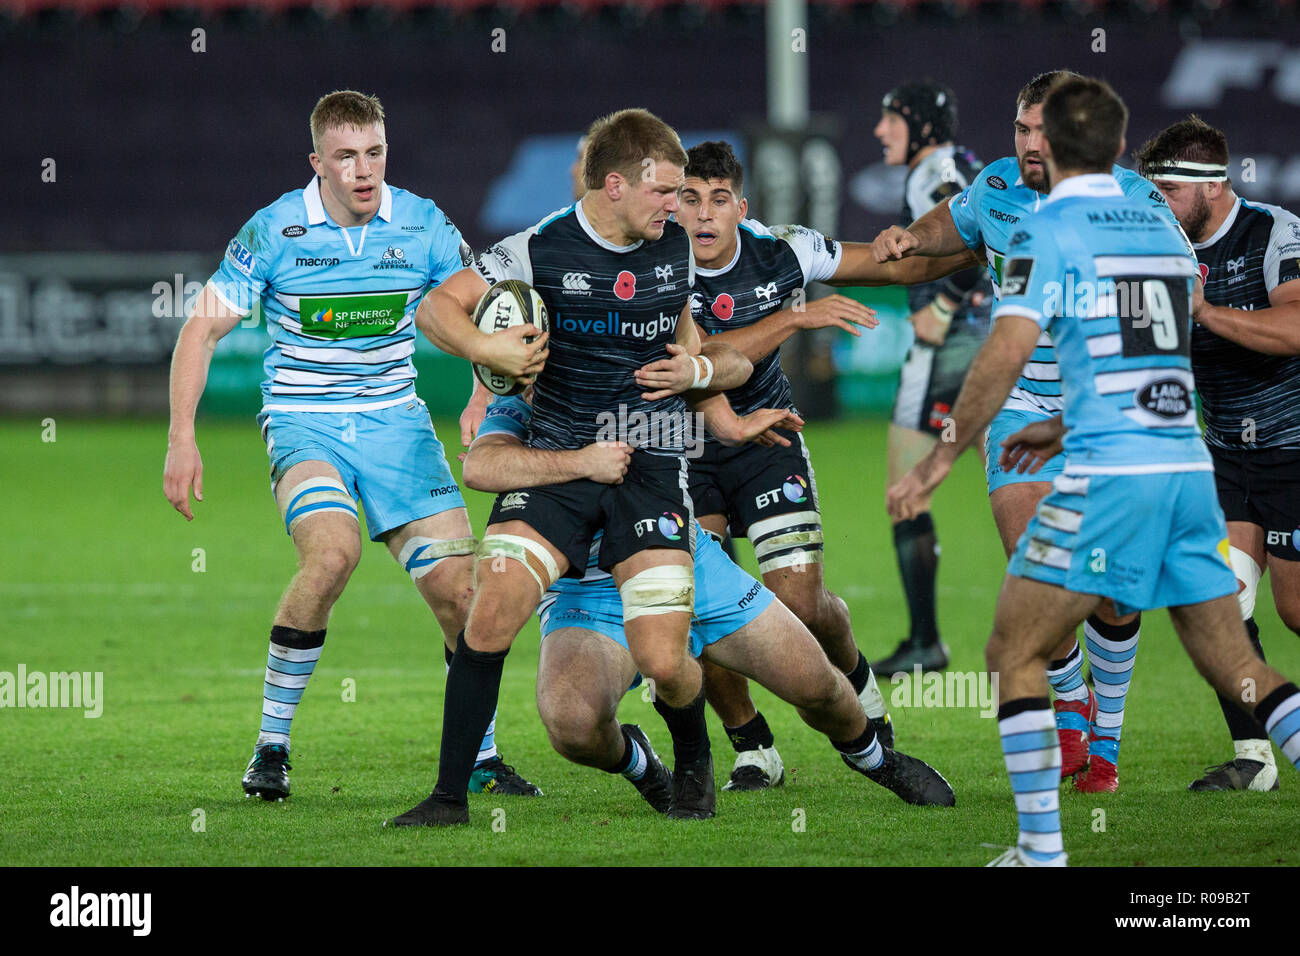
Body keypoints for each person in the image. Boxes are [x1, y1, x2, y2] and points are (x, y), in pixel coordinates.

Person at [888, 75, 1300, 866]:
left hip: (1111, 470)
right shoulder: (1157, 225)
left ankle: (1040, 851)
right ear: (1117, 148)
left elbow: (1003, 353)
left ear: (1053, 145)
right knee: (1240, 665)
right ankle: (1090, 760)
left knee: (1013, 653)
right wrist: (1065, 421)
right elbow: (1166, 346)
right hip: (1184, 464)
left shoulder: (1046, 229)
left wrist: (940, 455)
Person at [162, 90, 539, 802]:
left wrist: (483, 388)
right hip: (306, 421)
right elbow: (200, 330)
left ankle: (482, 758)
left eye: (374, 153)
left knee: (464, 595)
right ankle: (271, 747)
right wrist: (182, 437)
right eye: (345, 156)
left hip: (398, 424)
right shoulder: (276, 230)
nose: (363, 170)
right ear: (318, 163)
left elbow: (480, 303)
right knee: (331, 555)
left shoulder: (423, 223)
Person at [390, 109, 756, 826]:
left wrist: (699, 367)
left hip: (646, 461)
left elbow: (696, 339)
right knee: (490, 609)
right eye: (664, 191)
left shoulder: (674, 246)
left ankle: (692, 762)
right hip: (556, 457)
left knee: (660, 655)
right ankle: (447, 798)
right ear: (614, 185)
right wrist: (486, 353)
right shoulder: (537, 248)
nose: (676, 205)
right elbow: (436, 309)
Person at [871, 70, 1189, 793]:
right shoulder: (998, 188)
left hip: (1108, 411)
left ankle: (1105, 738)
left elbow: (1177, 308)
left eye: (1043, 130)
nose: (1029, 144)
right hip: (1019, 402)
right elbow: (944, 229)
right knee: (1038, 561)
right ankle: (1072, 711)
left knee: (1111, 590)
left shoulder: (1136, 203)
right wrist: (905, 237)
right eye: (1020, 128)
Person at [467, 392, 955, 811]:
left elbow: (712, 356)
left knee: (818, 688)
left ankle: (876, 759)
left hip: (685, 554)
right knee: (573, 727)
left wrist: (724, 400)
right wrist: (579, 461)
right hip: (587, 587)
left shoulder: (638, 346)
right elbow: (482, 464)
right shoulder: (521, 398)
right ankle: (645, 765)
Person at [675, 140, 980, 790]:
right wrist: (796, 318)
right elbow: (705, 357)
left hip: (770, 442)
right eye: (690, 199)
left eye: (718, 199)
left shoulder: (783, 248)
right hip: (685, 449)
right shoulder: (657, 267)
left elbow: (893, 269)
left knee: (800, 605)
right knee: (707, 609)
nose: (703, 214)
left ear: (741, 207)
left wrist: (983, 246)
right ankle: (752, 744)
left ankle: (863, 693)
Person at [1137, 116, 1300, 792]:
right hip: (1223, 456)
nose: (1161, 208)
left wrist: (1202, 311)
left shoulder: (1275, 231)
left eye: (1170, 192)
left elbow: (1294, 329)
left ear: (1214, 186)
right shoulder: (1161, 247)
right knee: (1220, 607)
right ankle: (1255, 759)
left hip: (1294, 451)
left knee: (1295, 612)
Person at [870, 82, 995, 676]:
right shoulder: (966, 162)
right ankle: (1074, 646)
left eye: (890, 118)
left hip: (948, 354)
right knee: (1018, 493)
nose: (879, 131)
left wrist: (943, 304)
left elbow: (972, 239)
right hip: (996, 345)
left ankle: (925, 643)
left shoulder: (932, 173)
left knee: (905, 491)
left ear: (918, 124)